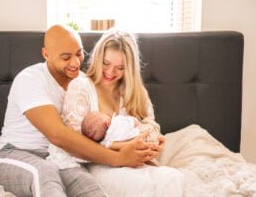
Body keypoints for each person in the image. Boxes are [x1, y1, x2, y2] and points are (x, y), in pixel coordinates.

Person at [0, 25, 160, 197]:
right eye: (66, 57)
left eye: (79, 53)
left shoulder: (82, 83)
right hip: (14, 153)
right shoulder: (30, 79)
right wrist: (119, 158)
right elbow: (58, 135)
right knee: (45, 173)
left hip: (58, 158)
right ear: (47, 55)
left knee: (89, 186)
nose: (76, 62)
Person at [60, 29, 185, 196]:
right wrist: (123, 149)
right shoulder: (80, 87)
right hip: (98, 164)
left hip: (137, 161)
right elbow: (75, 143)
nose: (111, 72)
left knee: (174, 178)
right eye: (106, 63)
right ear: (98, 58)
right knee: (141, 186)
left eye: (120, 68)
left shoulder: (134, 90)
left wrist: (152, 141)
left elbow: (150, 123)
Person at [81, 111, 161, 166]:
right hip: (144, 134)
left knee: (148, 158)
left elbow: (108, 145)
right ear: (107, 124)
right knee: (149, 123)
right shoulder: (116, 121)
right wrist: (135, 121)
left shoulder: (106, 142)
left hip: (139, 145)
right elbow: (133, 121)